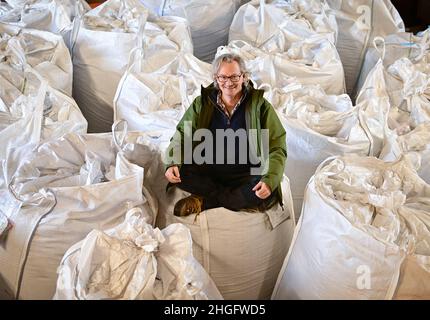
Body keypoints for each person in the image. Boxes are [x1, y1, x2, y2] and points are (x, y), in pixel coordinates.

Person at [164, 52, 287, 217]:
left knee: (266, 189)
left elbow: (277, 146)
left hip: (245, 174)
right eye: (223, 77)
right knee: (180, 172)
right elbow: (182, 134)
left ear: (243, 77)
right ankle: (233, 198)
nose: (228, 83)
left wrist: (269, 180)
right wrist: (173, 162)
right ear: (216, 78)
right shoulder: (202, 103)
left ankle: (206, 201)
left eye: (234, 77)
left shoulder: (260, 107)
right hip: (210, 172)